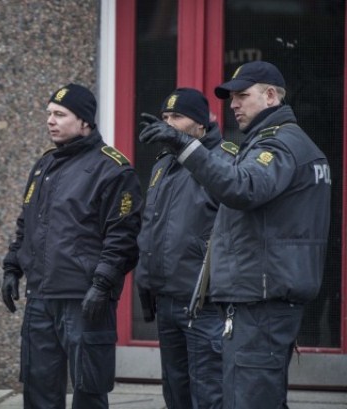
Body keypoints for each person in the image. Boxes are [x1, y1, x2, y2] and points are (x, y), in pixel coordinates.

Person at [138, 61, 331, 409]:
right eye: (232, 98)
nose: (234, 104)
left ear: (270, 96)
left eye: (242, 95)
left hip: (261, 301)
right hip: (256, 298)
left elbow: (242, 187)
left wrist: (185, 147)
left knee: (246, 399)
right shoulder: (271, 143)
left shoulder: (280, 145)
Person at [1, 83, 142, 409]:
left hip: (85, 300)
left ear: (85, 122)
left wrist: (102, 283)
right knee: (38, 390)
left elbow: (123, 237)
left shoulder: (113, 168)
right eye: (49, 113)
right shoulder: (44, 166)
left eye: (60, 114)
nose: (50, 120)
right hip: (41, 299)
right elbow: (27, 222)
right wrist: (12, 267)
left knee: (89, 392)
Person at [136, 88, 236, 409]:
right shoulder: (163, 165)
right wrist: (146, 278)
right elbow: (153, 227)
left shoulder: (225, 159)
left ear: (201, 124)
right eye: (164, 117)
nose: (168, 123)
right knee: (176, 393)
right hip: (167, 301)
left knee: (208, 394)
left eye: (177, 117)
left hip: (204, 306)